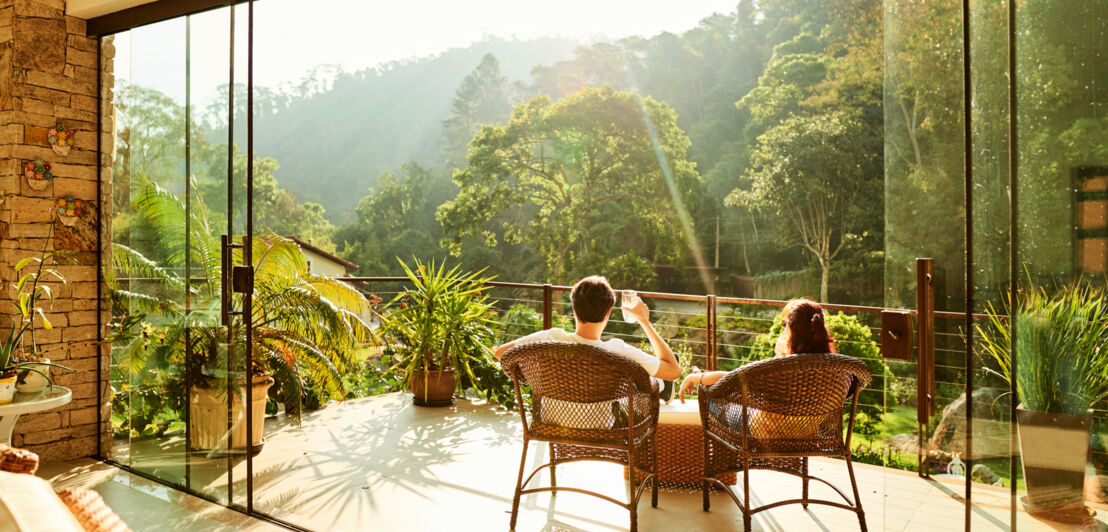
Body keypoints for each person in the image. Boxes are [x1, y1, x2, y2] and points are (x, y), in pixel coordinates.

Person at [495, 276, 682, 408]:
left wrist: (534, 379)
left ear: (574, 311)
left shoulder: (551, 338)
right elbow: (674, 371)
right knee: (640, 379)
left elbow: (501, 353)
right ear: (608, 314)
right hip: (605, 428)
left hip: (552, 423)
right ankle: (661, 386)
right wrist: (644, 321)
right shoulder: (617, 350)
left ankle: (659, 383)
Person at [678, 298, 835, 403]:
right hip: (811, 435)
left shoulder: (780, 370)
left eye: (783, 324)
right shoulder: (837, 370)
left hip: (767, 434)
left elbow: (732, 378)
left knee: (712, 401)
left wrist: (695, 378)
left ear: (791, 330)